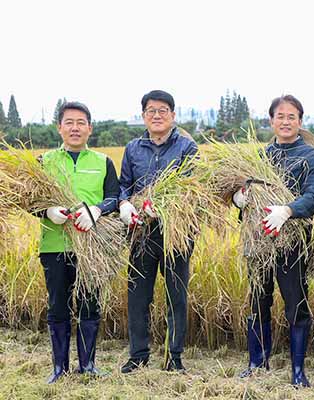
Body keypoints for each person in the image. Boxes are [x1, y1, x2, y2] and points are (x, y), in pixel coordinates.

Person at [232, 95, 314, 387]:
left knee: (296, 304)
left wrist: (288, 210)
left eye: (292, 117)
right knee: (258, 301)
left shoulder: (313, 157)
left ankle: (298, 371)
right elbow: (242, 195)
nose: (286, 122)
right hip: (259, 240)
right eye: (280, 116)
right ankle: (257, 363)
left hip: (293, 243)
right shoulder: (258, 158)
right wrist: (239, 200)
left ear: (300, 121)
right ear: (271, 120)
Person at [119, 90, 198, 373]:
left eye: (162, 110)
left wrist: (164, 207)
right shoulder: (132, 148)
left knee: (176, 295)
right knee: (138, 296)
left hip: (176, 232)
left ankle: (173, 356)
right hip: (141, 232)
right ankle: (138, 355)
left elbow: (193, 188)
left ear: (173, 116)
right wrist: (125, 203)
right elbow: (124, 185)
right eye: (151, 110)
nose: (156, 115)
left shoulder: (187, 147)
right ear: (143, 116)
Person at [40, 101, 119, 383]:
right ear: (59, 127)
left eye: (80, 122)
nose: (75, 127)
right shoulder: (45, 161)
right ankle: (58, 368)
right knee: (57, 306)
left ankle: (87, 365)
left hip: (92, 248)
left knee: (90, 304)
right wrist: (47, 212)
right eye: (69, 122)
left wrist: (96, 210)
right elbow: (31, 200)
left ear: (90, 128)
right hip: (54, 245)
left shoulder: (102, 162)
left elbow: (114, 197)